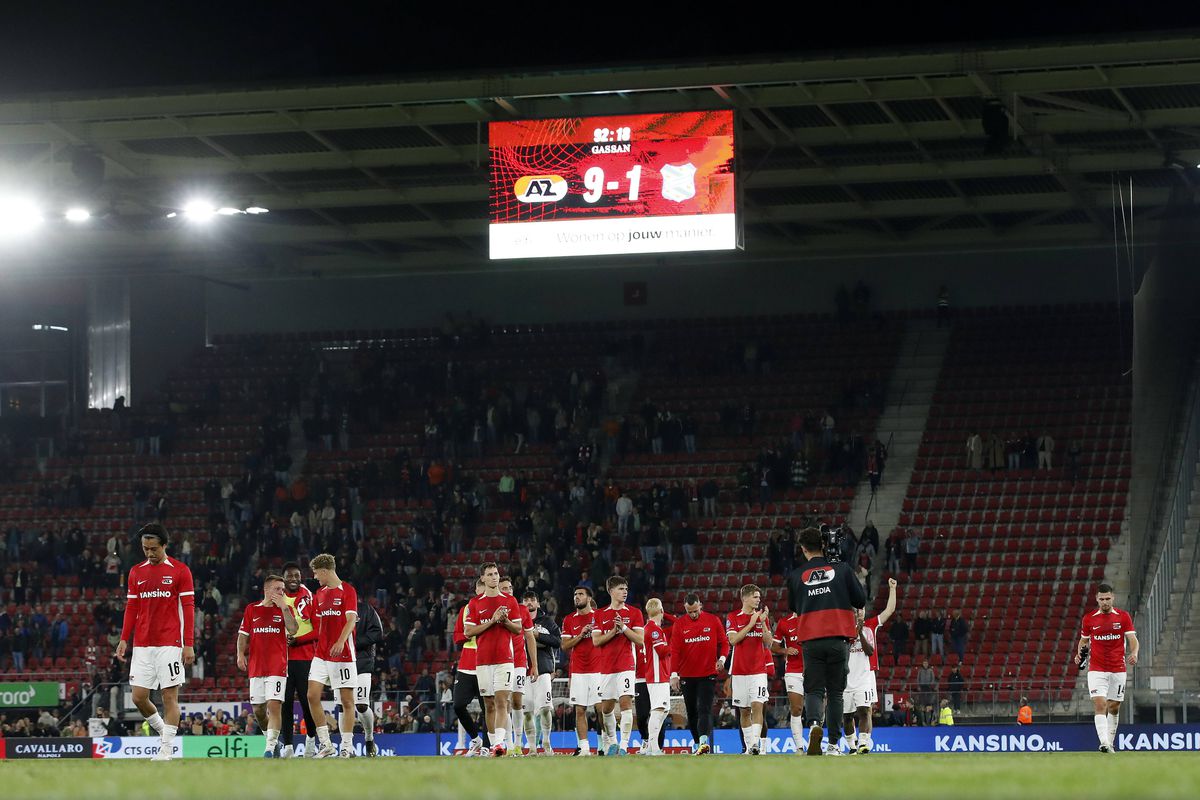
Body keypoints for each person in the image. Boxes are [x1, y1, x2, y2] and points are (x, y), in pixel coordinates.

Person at [114, 523, 195, 762]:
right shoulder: (136, 572)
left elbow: (189, 609)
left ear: (164, 546)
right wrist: (123, 639)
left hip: (170, 643)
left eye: (153, 549)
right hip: (142, 645)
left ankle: (166, 750)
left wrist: (188, 643)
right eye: (145, 549)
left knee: (169, 696)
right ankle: (163, 731)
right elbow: (131, 608)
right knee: (138, 697)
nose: (149, 553)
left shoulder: (180, 571)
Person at [793, 526, 866, 756]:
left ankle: (815, 724)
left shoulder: (796, 576)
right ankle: (834, 744)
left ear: (803, 549)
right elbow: (860, 599)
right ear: (823, 545)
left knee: (814, 689)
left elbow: (794, 606)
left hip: (811, 640)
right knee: (835, 693)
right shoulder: (842, 569)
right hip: (838, 638)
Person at [463, 562, 523, 756]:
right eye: (489, 574)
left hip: (504, 659)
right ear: (483, 578)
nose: (494, 577)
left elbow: (518, 629)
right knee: (488, 704)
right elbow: (468, 631)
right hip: (482, 661)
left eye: (496, 573)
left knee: (501, 701)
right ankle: (493, 745)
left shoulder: (510, 601)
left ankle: (499, 744)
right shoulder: (475, 603)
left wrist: (504, 620)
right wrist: (492, 621)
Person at [236, 574, 297, 757]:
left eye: (283, 590)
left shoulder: (284, 610)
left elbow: (293, 630)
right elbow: (243, 634)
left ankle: (269, 748)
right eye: (278, 589)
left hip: (277, 667)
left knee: (274, 705)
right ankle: (271, 740)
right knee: (258, 711)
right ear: (267, 590)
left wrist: (285, 607)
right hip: (256, 667)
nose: (281, 592)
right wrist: (240, 654)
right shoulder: (251, 609)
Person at [305, 553, 359, 758]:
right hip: (321, 654)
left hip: (343, 653)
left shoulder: (348, 591)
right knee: (312, 695)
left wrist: (340, 641)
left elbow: (351, 620)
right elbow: (317, 626)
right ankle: (326, 744)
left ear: (325, 571)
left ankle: (347, 746)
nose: (316, 577)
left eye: (317, 573)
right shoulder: (319, 594)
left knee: (346, 701)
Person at [1074, 583, 1138, 753]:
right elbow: (1084, 640)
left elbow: (1132, 639)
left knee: (1114, 707)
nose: (1105, 602)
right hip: (1097, 669)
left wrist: (1135, 653)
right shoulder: (1089, 619)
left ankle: (1110, 742)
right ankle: (1104, 743)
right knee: (1100, 704)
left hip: (1118, 668)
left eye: (1107, 598)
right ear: (1097, 599)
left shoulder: (1123, 617)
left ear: (1113, 598)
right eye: (1101, 599)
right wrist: (1078, 653)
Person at [668, 592, 728, 755]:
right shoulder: (679, 624)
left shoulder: (713, 620)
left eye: (696, 611)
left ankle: (703, 741)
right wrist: (674, 674)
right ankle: (698, 744)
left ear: (700, 605)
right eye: (690, 612)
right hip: (687, 675)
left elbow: (724, 643)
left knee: (704, 708)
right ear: (685, 609)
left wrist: (721, 659)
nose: (693, 614)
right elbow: (675, 651)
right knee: (692, 712)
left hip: (708, 674)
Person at [592, 575, 645, 756]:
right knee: (606, 708)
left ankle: (624, 745)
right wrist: (613, 632)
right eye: (621, 589)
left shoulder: (634, 613)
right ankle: (612, 741)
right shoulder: (599, 614)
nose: (625, 592)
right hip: (606, 668)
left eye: (626, 589)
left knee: (625, 703)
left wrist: (623, 628)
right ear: (611, 591)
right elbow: (596, 641)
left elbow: (640, 640)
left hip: (626, 665)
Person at [851, 578, 897, 753]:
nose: (860, 612)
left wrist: (892, 589)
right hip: (848, 674)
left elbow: (889, 610)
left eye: (861, 609)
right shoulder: (845, 628)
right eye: (857, 610)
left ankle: (864, 743)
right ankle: (851, 744)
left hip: (866, 674)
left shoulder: (871, 625)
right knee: (847, 714)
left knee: (867, 710)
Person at [726, 584, 773, 755]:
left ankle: (755, 745)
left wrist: (763, 624)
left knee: (757, 706)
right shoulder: (733, 617)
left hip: (758, 671)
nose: (758, 599)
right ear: (744, 598)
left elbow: (768, 643)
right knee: (744, 711)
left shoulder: (762, 618)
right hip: (739, 671)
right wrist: (752, 623)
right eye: (755, 596)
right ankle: (749, 747)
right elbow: (733, 640)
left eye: (759, 597)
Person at [280, 562, 320, 758]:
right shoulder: (277, 598)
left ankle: (311, 740)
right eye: (290, 576)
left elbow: (318, 630)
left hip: (305, 657)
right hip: (283, 660)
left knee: (307, 702)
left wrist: (298, 640)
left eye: (296, 575)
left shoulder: (308, 596)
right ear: (283, 578)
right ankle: (287, 745)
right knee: (285, 703)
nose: (293, 579)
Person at [498, 576, 537, 755]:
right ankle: (508, 743)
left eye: (510, 587)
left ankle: (519, 744)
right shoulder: (494, 610)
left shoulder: (522, 610)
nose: (508, 590)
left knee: (517, 701)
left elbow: (530, 637)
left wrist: (534, 665)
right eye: (504, 588)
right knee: (503, 701)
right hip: (501, 661)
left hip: (519, 662)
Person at [561, 587, 600, 756]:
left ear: (589, 598)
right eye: (575, 594)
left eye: (580, 594)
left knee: (601, 709)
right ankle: (584, 748)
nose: (576, 597)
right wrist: (580, 634)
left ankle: (604, 744)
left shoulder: (599, 617)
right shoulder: (569, 620)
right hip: (578, 671)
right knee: (580, 710)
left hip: (598, 669)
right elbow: (564, 646)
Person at [452, 578, 488, 756]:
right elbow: (458, 636)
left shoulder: (493, 608)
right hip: (466, 663)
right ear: (476, 589)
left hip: (487, 662)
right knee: (458, 705)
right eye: (480, 587)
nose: (483, 590)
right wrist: (471, 633)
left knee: (487, 708)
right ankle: (476, 739)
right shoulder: (466, 609)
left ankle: (487, 747)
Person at [525, 590, 561, 755]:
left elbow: (557, 641)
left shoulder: (547, 621)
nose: (529, 603)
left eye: (532, 600)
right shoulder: (518, 622)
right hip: (523, 669)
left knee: (545, 708)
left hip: (544, 669)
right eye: (526, 600)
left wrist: (537, 635)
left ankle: (546, 742)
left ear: (538, 603)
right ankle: (531, 746)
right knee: (526, 711)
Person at [839, 609, 876, 754]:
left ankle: (862, 743)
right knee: (847, 716)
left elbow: (870, 651)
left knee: (864, 711)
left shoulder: (867, 631)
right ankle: (852, 747)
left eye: (859, 612)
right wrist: (854, 632)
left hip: (863, 680)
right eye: (854, 612)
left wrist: (860, 632)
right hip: (846, 680)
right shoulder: (842, 630)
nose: (857, 614)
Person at [771, 606, 805, 755]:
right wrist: (786, 650)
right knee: (796, 709)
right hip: (793, 671)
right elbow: (773, 647)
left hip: (815, 670)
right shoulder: (784, 623)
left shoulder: (814, 618)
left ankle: (815, 742)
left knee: (816, 709)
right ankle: (799, 747)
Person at [353, 594, 384, 756]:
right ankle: (346, 745)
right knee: (344, 705)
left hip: (362, 663)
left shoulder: (365, 610)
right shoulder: (335, 610)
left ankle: (369, 739)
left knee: (361, 705)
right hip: (339, 662)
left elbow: (378, 633)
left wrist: (353, 642)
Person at [640, 598, 672, 756]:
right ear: (661, 611)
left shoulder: (651, 628)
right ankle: (653, 747)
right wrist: (676, 645)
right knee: (658, 710)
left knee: (663, 710)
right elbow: (662, 651)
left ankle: (652, 746)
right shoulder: (654, 630)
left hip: (659, 675)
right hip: (657, 675)